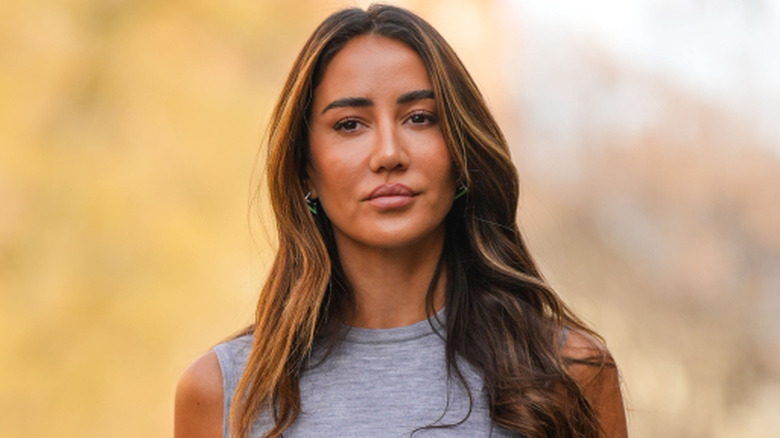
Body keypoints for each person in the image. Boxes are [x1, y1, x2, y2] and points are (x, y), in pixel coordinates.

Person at [175, 4, 627, 438]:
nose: (389, 153)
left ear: (461, 152)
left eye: (419, 118)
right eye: (350, 124)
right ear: (306, 167)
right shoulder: (222, 391)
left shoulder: (569, 373)